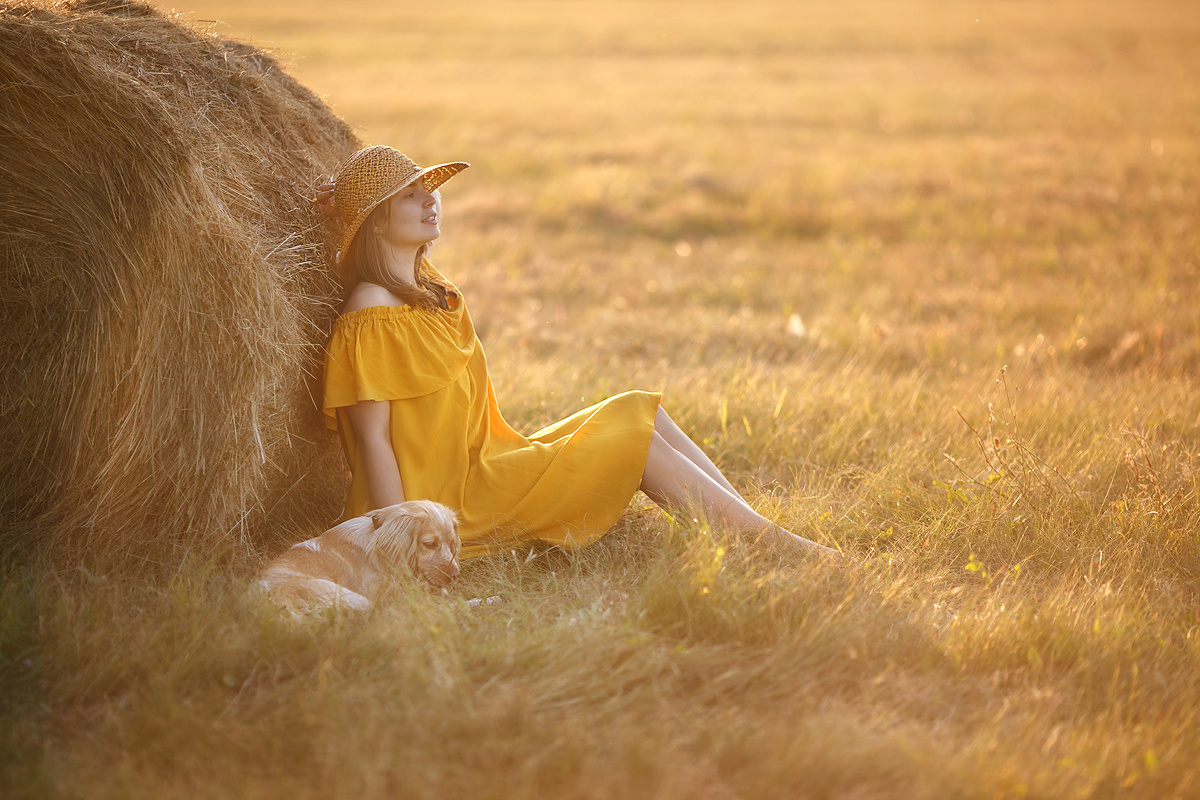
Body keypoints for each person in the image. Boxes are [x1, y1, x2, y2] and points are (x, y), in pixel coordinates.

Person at [316, 145, 835, 560]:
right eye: (408, 196)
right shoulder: (370, 309)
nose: (430, 199)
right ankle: (773, 546)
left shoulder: (428, 290)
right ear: (376, 222)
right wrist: (401, 545)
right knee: (635, 442)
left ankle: (747, 530)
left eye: (426, 189)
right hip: (450, 504)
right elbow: (374, 442)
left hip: (486, 467)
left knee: (638, 408)